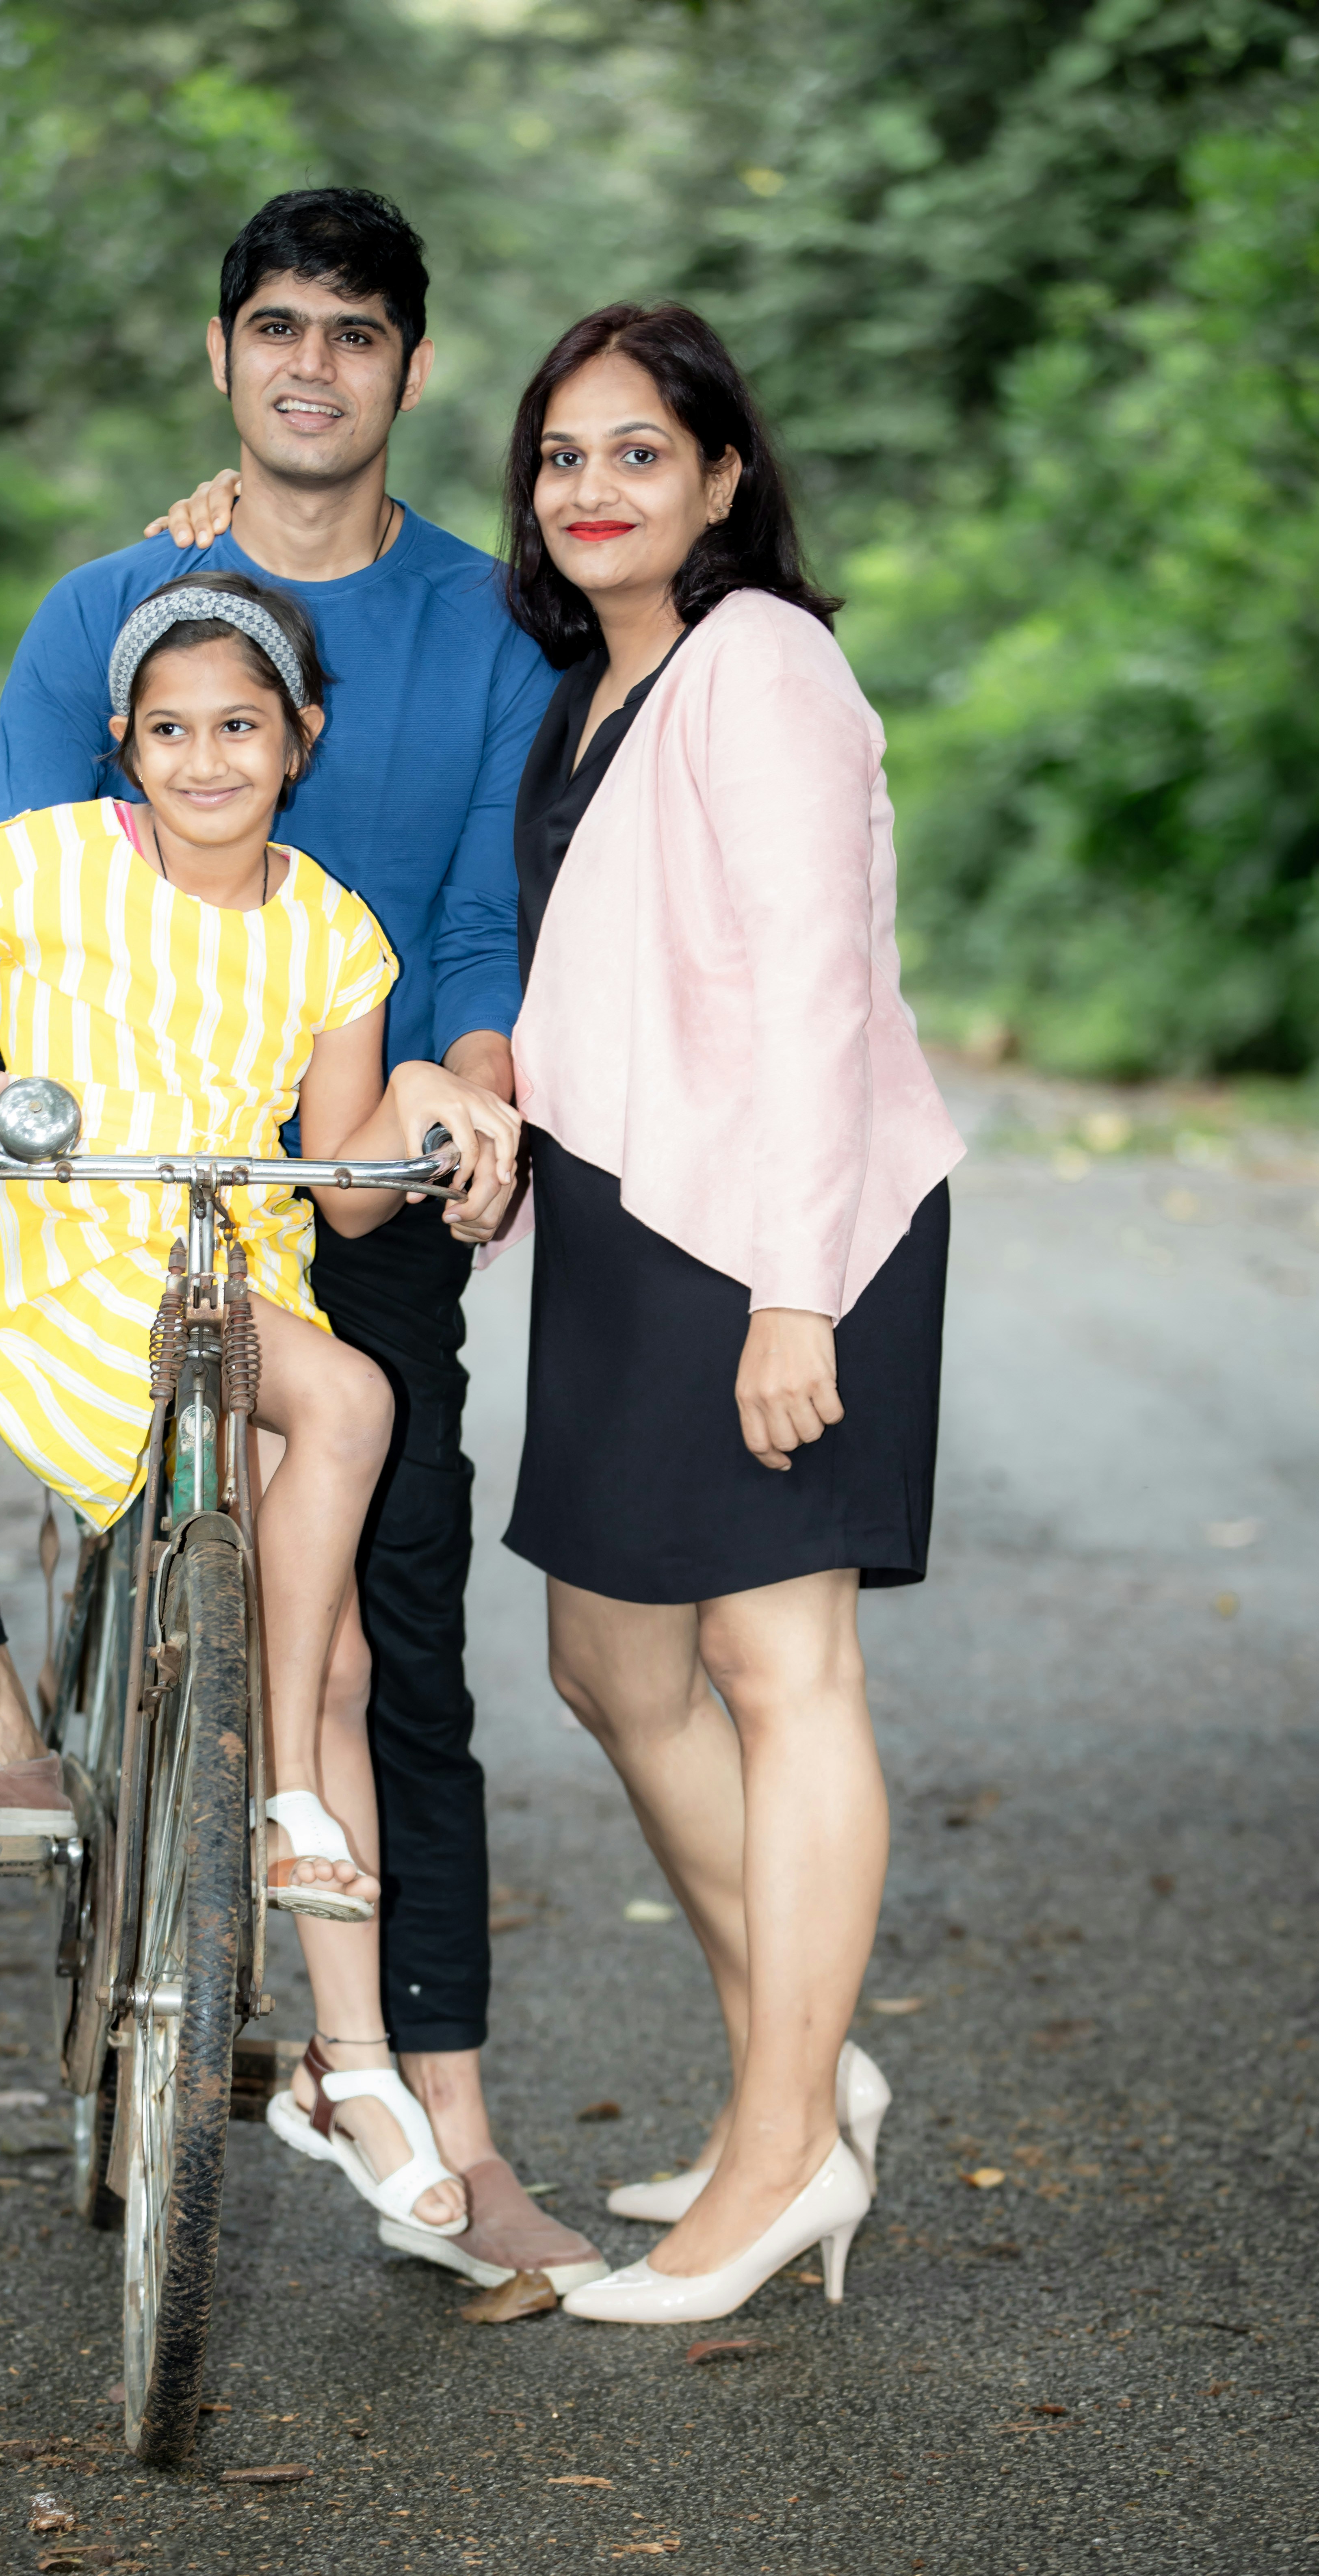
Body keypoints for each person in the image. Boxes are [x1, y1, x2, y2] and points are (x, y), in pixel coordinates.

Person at [0, 187, 605, 2296]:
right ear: (224, 355)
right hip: (70, 1156)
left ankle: (439, 2126)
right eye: (278, 328)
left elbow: (477, 935)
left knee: (398, 1620)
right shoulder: (107, 608)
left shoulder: (491, 630)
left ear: (412, 366)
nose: (314, 364)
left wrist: (467, 1096)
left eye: (358, 333)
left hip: (334, 1134)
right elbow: (35, 895)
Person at [0, 577, 525, 2235]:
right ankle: (281, 1793)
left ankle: (349, 2066)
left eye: (237, 726)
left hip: (238, 1265)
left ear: (302, 740)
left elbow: (350, 1193)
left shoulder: (337, 932)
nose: (202, 759)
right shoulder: (58, 858)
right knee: (351, 1398)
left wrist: (425, 1086)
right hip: (75, 1257)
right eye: (167, 730)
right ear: (123, 746)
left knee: (346, 1650)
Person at [489, 303, 966, 2323]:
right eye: (562, 456)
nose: (593, 488)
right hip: (625, 1220)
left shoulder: (759, 661)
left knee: (784, 1676)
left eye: (636, 452)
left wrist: (797, 1298)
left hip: (775, 1228)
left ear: (720, 476)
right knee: (608, 1662)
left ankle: (778, 2159)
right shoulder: (588, 683)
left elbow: (810, 994)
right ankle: (804, 2049)